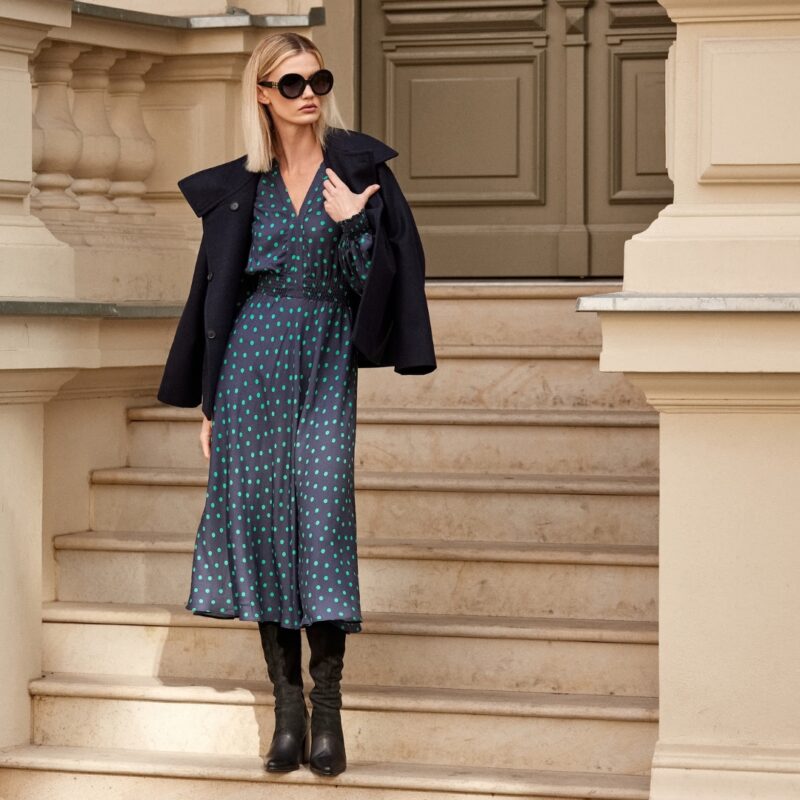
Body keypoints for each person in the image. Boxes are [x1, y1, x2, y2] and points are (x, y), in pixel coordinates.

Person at [156, 32, 436, 779]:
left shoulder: (358, 172)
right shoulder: (243, 185)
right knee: (263, 530)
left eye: (317, 79)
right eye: (290, 83)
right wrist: (210, 404)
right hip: (251, 367)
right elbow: (216, 297)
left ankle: (328, 710)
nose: (308, 93)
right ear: (262, 94)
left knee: (322, 522)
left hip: (324, 361)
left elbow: (376, 287)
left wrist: (353, 224)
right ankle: (288, 713)